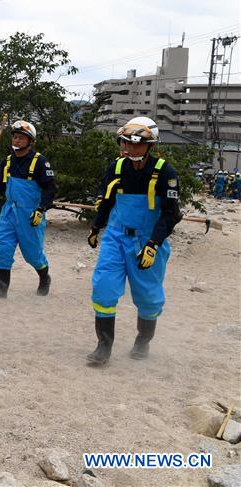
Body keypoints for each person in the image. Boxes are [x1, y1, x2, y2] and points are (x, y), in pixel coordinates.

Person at [86, 117, 181, 365]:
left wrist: (153, 244)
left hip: (147, 241)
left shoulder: (165, 172)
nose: (129, 149)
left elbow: (171, 214)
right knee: (103, 288)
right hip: (116, 237)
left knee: (148, 297)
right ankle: (104, 345)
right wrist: (97, 227)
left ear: (150, 146)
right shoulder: (117, 167)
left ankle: (143, 341)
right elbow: (106, 200)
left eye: (135, 145)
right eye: (125, 143)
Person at [0, 120, 57, 299]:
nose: (16, 141)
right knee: (3, 246)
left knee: (32, 253)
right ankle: (1, 290)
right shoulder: (7, 162)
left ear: (30, 141)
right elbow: (1, 187)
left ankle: (44, 277)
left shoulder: (40, 162)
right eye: (15, 137)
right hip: (9, 212)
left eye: (21, 138)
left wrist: (41, 209)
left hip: (31, 213)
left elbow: (50, 189)